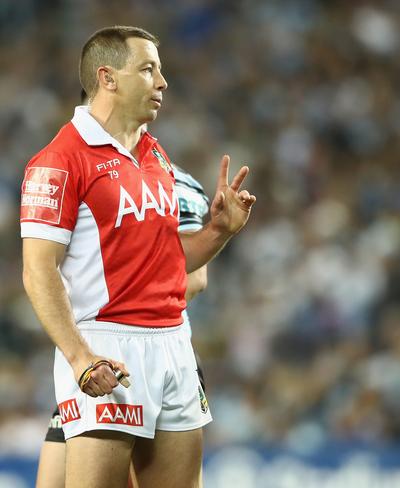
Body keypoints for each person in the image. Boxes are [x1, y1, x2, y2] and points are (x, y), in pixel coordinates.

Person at [20, 26, 255, 488]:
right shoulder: (59, 161)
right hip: (109, 345)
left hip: (173, 343)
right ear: (107, 78)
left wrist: (218, 233)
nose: (163, 82)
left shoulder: (155, 156)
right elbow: (37, 270)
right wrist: (80, 358)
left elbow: (169, 261)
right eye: (148, 70)